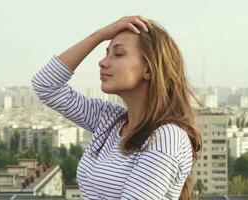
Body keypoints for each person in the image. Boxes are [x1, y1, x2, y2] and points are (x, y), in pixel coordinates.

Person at [31, 15, 202, 200]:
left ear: (149, 69)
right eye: (106, 53)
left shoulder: (167, 138)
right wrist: (99, 35)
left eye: (118, 54)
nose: (103, 62)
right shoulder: (111, 120)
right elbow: (46, 86)